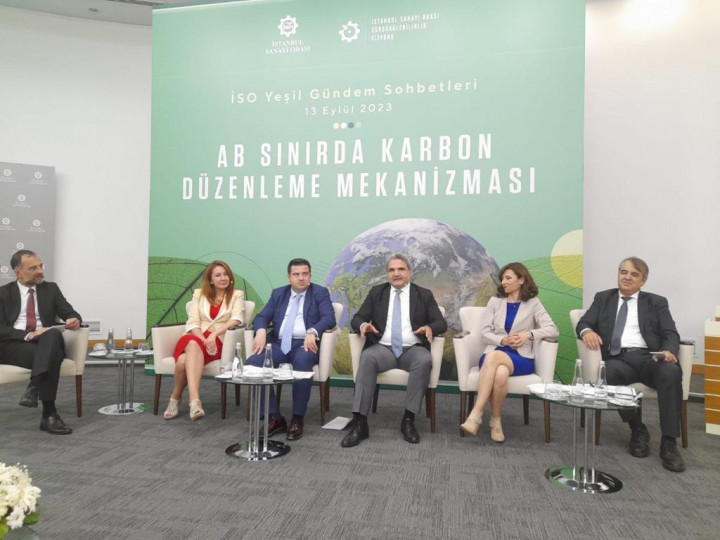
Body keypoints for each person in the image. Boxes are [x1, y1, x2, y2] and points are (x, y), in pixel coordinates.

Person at [576, 256, 685, 472]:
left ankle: (669, 442)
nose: (627, 277)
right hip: (618, 359)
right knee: (607, 374)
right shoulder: (603, 298)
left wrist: (669, 351)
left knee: (670, 373)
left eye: (634, 274)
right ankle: (637, 429)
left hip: (649, 358)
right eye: (623, 272)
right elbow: (584, 322)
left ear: (643, 281)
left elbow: (670, 333)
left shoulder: (656, 302)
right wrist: (587, 332)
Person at [341, 254, 447, 447]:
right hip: (383, 348)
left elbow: (441, 323)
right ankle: (360, 423)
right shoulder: (377, 292)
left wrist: (430, 327)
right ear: (387, 274)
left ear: (409, 272)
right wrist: (364, 325)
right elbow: (358, 318)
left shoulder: (423, 294)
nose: (396, 273)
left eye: (401, 269)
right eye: (391, 270)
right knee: (367, 358)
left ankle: (408, 420)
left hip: (413, 349)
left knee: (424, 360)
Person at [460, 262, 558, 442]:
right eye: (502, 279)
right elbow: (485, 333)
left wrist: (528, 335)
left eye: (508, 278)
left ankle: (476, 413)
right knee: (500, 373)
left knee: (495, 359)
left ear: (521, 280)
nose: (503, 282)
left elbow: (553, 329)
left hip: (521, 357)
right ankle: (495, 421)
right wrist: (503, 340)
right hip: (494, 351)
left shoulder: (533, 303)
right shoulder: (495, 302)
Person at [245, 258, 335, 441]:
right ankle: (274, 417)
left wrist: (312, 331)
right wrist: (261, 331)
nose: (301, 278)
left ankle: (297, 417)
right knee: (252, 364)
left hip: (304, 344)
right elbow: (262, 316)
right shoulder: (279, 293)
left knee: (302, 361)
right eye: (296, 274)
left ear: (310, 276)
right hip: (278, 344)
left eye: (305, 274)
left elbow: (329, 318)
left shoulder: (319, 293)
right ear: (289, 277)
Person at [0, 250, 82, 435]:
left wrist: (74, 319)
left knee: (51, 336)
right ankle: (49, 415)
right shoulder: (3, 293)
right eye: (33, 268)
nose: (40, 271)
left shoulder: (51, 289)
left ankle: (34, 388)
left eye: (40, 266)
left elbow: (70, 312)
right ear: (18, 272)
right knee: (53, 355)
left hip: (46, 341)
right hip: (15, 345)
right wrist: (28, 335)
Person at [164, 260, 244, 421]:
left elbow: (236, 319)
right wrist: (203, 339)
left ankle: (175, 398)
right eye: (218, 275)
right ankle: (195, 401)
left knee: (183, 361)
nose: (223, 278)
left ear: (230, 277)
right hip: (195, 336)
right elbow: (193, 322)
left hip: (219, 340)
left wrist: (213, 335)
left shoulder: (237, 295)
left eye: (226, 274)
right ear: (210, 280)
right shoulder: (198, 294)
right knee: (193, 343)